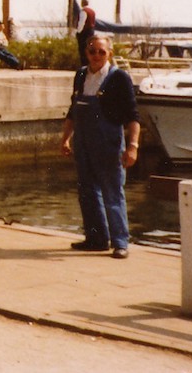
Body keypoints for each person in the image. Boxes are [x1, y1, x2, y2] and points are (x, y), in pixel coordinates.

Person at [60, 34, 140, 259]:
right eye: (92, 51)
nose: (96, 56)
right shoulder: (81, 75)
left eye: (101, 52)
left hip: (109, 144)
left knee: (113, 193)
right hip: (83, 143)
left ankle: (120, 242)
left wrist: (132, 146)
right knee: (87, 192)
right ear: (86, 53)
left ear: (110, 54)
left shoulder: (119, 78)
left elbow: (133, 116)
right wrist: (65, 138)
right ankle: (96, 239)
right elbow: (73, 111)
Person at [75, 0, 96, 66]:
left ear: (82, 3)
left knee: (83, 50)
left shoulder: (84, 11)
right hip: (91, 32)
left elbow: (82, 22)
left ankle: (84, 65)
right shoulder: (92, 11)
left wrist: (78, 32)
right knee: (89, 49)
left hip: (85, 33)